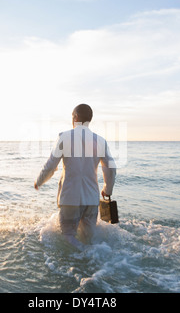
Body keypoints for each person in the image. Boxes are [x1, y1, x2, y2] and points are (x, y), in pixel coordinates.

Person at [34, 104, 116, 250]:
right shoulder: (100, 140)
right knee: (90, 238)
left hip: (70, 199)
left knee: (68, 236)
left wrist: (39, 181)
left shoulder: (64, 137)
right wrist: (107, 190)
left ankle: (83, 255)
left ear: (76, 117)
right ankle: (95, 261)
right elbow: (110, 167)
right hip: (91, 200)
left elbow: (51, 165)